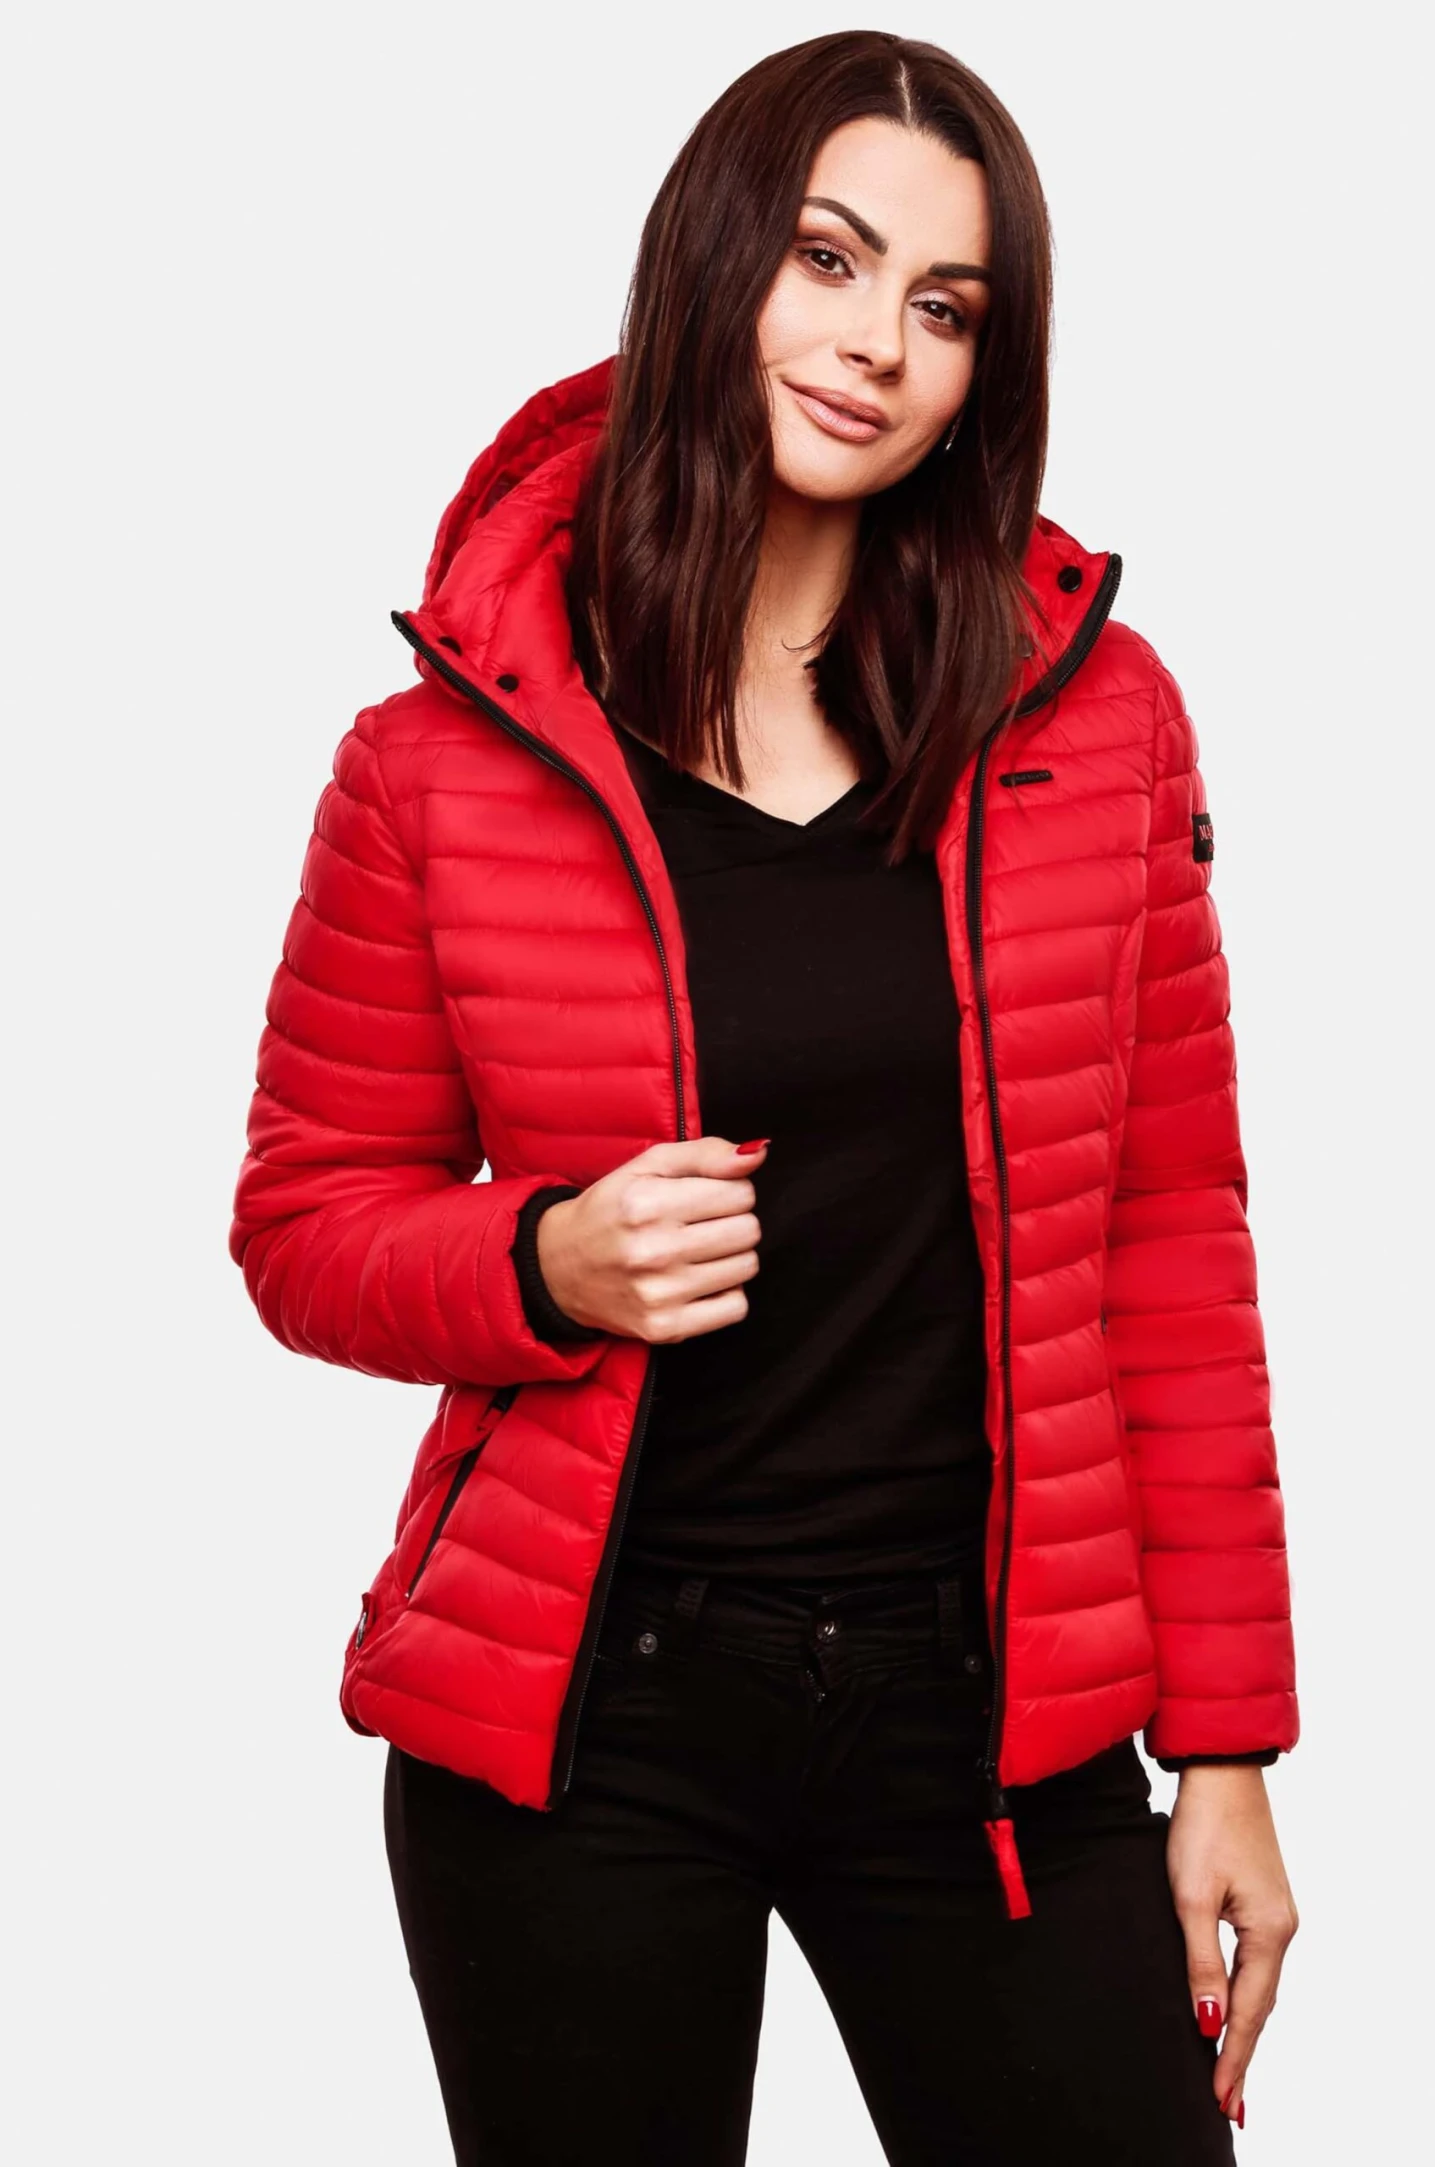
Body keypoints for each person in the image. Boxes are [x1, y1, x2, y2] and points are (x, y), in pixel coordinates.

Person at [230, 29, 1299, 2166]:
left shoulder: (1094, 723)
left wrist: (1231, 1748)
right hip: (589, 1712)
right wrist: (549, 1259)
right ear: (711, 261)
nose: (877, 342)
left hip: (989, 1712)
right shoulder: (437, 759)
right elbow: (305, 1221)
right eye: (829, 258)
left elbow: (1171, 1233)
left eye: (945, 304)